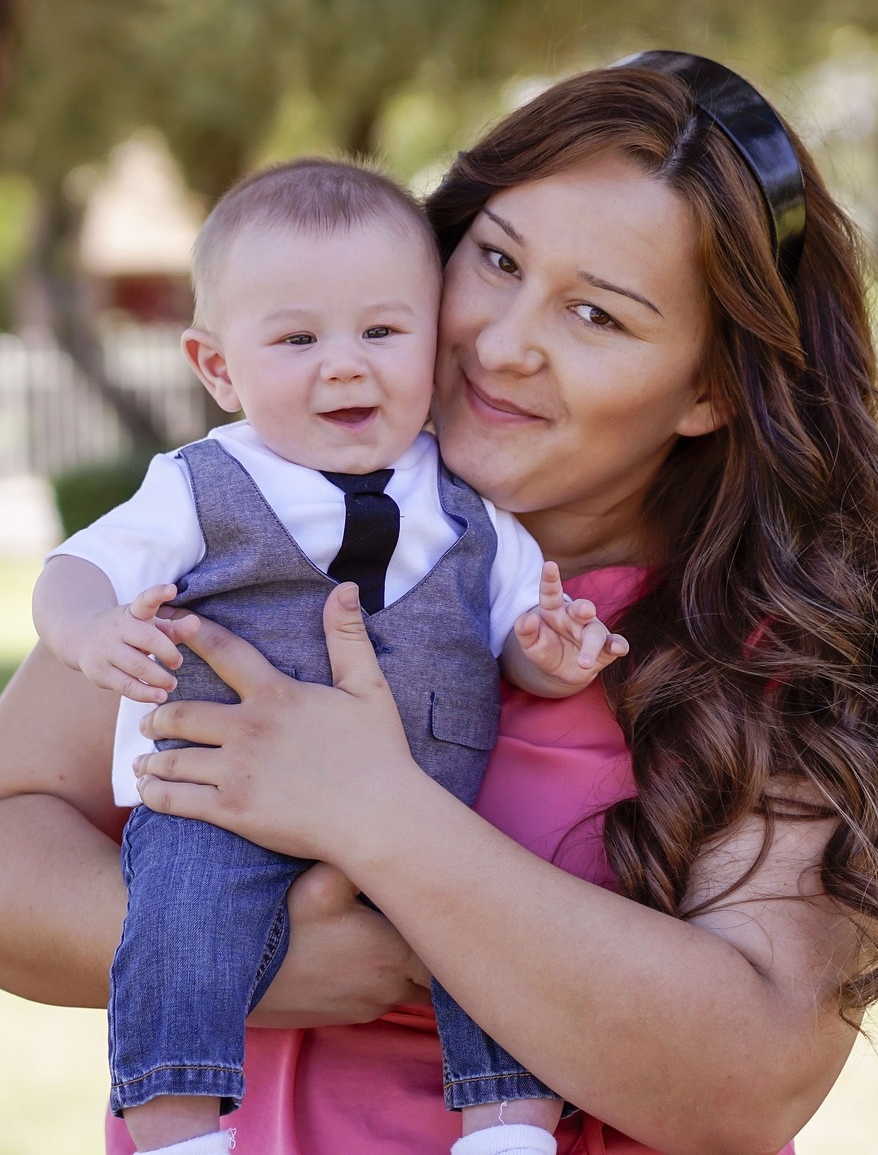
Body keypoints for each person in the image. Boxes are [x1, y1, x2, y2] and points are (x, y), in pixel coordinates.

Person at [1, 50, 878, 1155]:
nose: (500, 344)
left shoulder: (773, 649)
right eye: (494, 259)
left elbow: (751, 1075)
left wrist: (377, 812)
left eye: (596, 316)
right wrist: (247, 959)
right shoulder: (239, 506)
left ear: (707, 388)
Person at [30, 157, 627, 1155]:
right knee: (177, 922)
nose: (344, 364)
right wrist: (93, 631)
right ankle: (178, 1128)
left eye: (382, 332)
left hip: (425, 807)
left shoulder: (470, 502)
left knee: (489, 933)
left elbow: (516, 630)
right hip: (218, 798)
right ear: (218, 367)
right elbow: (71, 569)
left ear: (433, 344)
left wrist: (548, 658)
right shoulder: (199, 483)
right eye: (297, 338)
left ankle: (505, 1124)